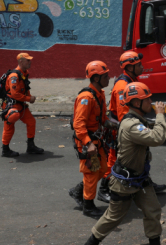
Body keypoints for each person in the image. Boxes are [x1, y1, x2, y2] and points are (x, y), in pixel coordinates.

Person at [84, 82, 166, 245]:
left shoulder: (138, 119)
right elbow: (157, 138)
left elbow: (154, 132)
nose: (151, 102)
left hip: (140, 178)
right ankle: (90, 243)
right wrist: (160, 115)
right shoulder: (132, 125)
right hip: (125, 181)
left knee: (153, 210)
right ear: (137, 103)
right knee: (113, 217)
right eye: (147, 99)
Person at [98, 51, 166, 203]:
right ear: (129, 68)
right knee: (115, 161)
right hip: (121, 131)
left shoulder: (131, 81)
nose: (142, 67)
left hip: (126, 127)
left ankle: (145, 182)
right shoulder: (123, 86)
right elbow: (126, 116)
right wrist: (139, 130)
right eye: (139, 65)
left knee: (141, 156)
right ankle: (103, 190)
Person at [69, 61, 110, 218]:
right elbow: (78, 124)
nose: (109, 78)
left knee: (103, 168)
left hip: (96, 140)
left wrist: (116, 125)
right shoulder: (86, 97)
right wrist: (88, 143)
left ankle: (78, 190)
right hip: (88, 142)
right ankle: (89, 206)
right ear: (96, 78)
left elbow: (103, 118)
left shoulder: (99, 94)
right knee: (91, 173)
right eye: (105, 76)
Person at [0, 53, 44, 158]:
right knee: (10, 124)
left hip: (21, 105)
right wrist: (29, 99)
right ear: (21, 61)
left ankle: (31, 146)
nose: (30, 62)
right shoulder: (14, 76)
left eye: (30, 60)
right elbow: (15, 94)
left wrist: (29, 97)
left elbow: (25, 87)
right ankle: (5, 150)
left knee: (31, 122)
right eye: (27, 60)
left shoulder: (24, 73)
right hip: (11, 106)